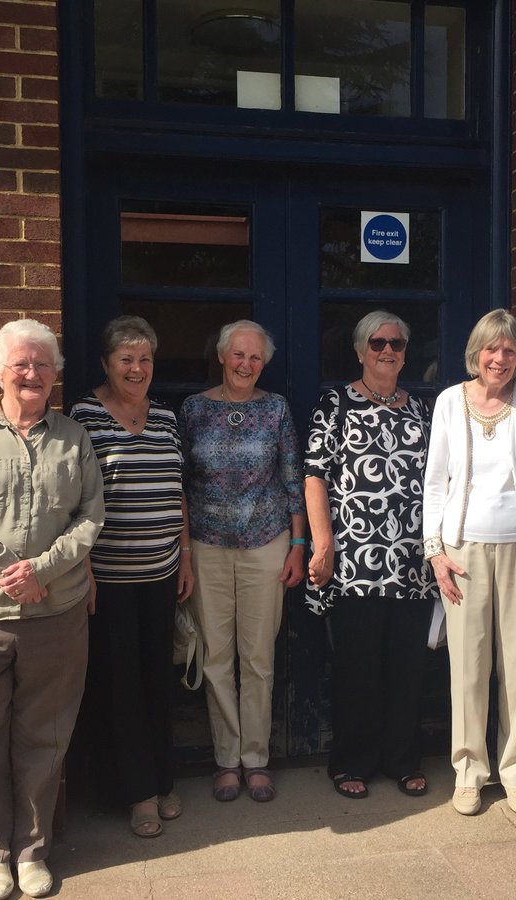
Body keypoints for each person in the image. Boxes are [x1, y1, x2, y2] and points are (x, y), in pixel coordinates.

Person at [0, 319, 103, 900]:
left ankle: (32, 852)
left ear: (55, 374)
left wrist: (42, 571)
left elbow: (90, 517)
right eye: (20, 364)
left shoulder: (74, 438)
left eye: (42, 365)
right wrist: (9, 571)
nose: (31, 374)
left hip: (56, 612)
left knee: (45, 736)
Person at [423, 309, 516, 817]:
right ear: (475, 353)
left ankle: (514, 772)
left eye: (509, 350)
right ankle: (468, 771)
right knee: (469, 667)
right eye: (491, 349)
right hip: (462, 552)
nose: (500, 359)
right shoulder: (448, 401)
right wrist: (435, 551)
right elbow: (435, 481)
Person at [69, 315, 192, 839]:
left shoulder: (164, 417)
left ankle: (161, 779)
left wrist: (184, 554)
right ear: (106, 363)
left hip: (162, 572)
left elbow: (177, 489)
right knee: (120, 687)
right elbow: (74, 499)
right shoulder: (84, 415)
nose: (137, 368)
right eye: (126, 359)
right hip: (110, 579)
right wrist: (86, 571)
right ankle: (136, 793)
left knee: (156, 682)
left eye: (144, 359)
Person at [305, 311, 436, 800]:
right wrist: (323, 543)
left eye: (397, 344)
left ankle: (403, 760)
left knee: (407, 668)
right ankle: (351, 761)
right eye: (377, 343)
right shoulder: (335, 403)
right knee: (357, 668)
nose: (388, 351)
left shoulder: (422, 410)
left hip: (411, 562)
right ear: (360, 351)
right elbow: (315, 474)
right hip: (356, 559)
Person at [180, 319, 305, 803]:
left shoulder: (275, 409)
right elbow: (182, 486)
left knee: (258, 657)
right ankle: (225, 760)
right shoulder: (193, 410)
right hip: (207, 545)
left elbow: (293, 477)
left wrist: (298, 545)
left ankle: (256, 759)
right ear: (221, 355)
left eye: (255, 358)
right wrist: (185, 551)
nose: (246, 365)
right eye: (239, 355)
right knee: (214, 656)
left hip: (266, 544)